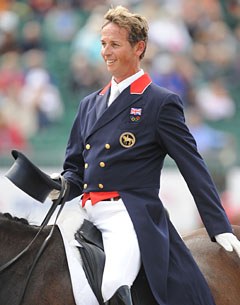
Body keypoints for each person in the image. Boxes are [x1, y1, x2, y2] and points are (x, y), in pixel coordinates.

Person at [50, 6, 240, 305]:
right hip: (84, 211)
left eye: (114, 44)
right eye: (103, 44)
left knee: (113, 284)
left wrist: (219, 226)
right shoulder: (89, 104)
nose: (106, 52)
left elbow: (193, 166)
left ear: (139, 48)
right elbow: (75, 170)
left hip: (127, 212)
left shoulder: (159, 102)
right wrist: (59, 186)